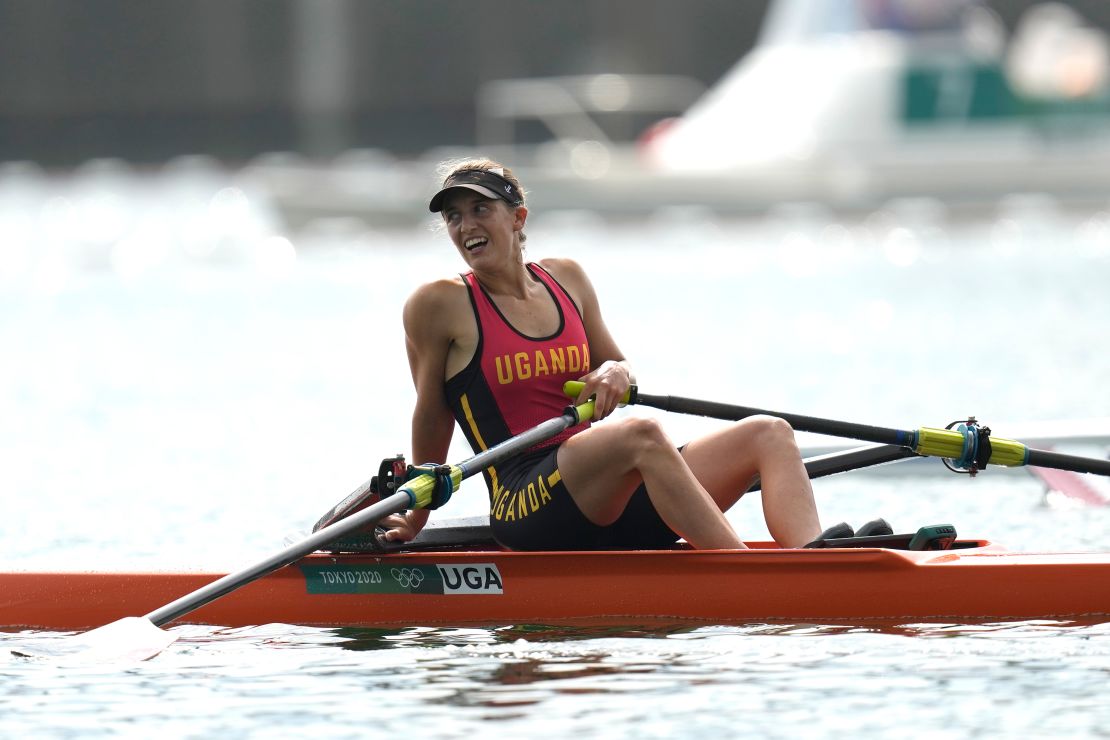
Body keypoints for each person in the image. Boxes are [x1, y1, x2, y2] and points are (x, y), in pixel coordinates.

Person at [381, 158, 886, 551]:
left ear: (518, 218)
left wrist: (615, 372)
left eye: (480, 210)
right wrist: (418, 510)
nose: (465, 225)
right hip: (524, 502)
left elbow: (615, 364)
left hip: (603, 494)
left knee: (769, 433)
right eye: (453, 216)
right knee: (641, 435)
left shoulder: (567, 279)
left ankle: (814, 556)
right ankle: (742, 570)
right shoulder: (439, 303)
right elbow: (432, 410)